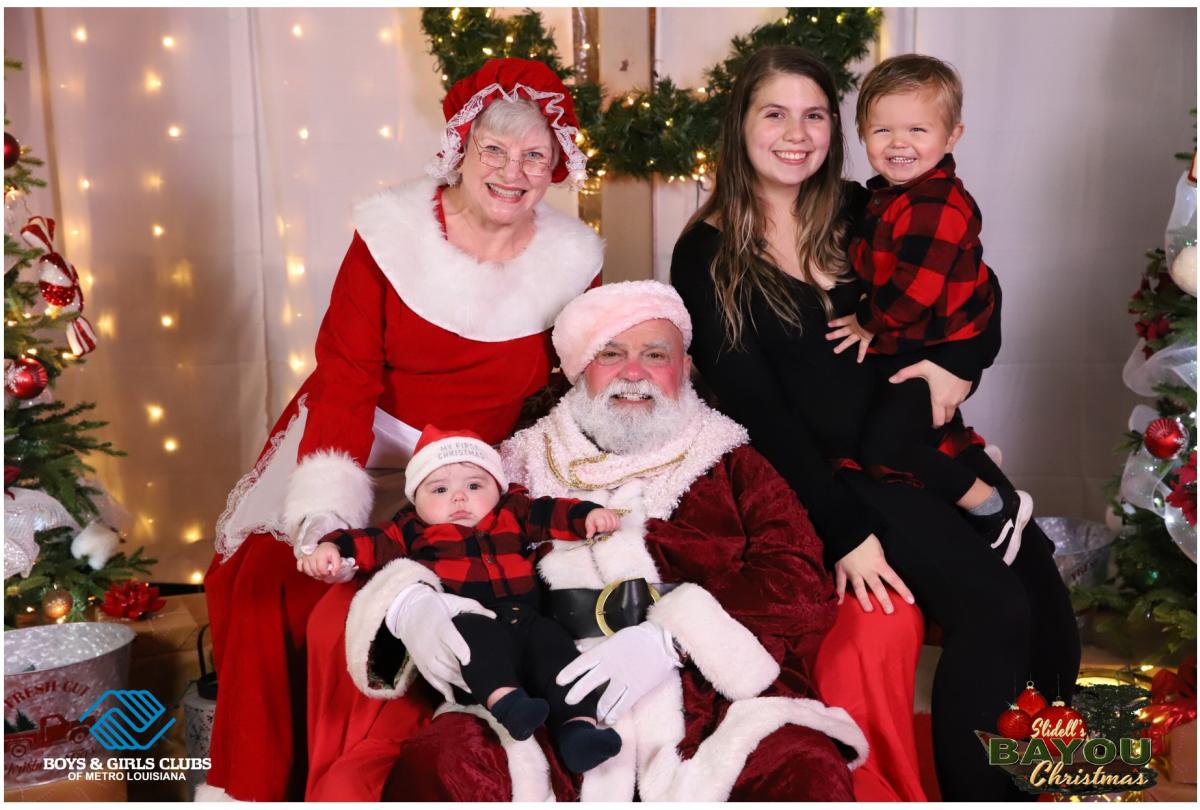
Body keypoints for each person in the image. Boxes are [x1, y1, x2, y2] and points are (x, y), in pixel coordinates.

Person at [669, 46, 1080, 800]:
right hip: (837, 476)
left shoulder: (867, 206)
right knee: (993, 609)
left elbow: (972, 288)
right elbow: (759, 416)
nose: (797, 132)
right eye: (775, 113)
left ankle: (1048, 777)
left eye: (815, 115)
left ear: (837, 127)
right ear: (741, 125)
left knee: (1044, 592)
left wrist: (966, 366)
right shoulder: (706, 255)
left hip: (919, 443)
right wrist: (844, 529)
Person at [199, 58, 603, 801]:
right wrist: (326, 511)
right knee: (263, 581)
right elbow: (347, 378)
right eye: (495, 151)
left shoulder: (573, 262)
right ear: (461, 148)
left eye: (535, 156)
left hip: (465, 470)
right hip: (355, 440)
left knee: (383, 605)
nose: (513, 172)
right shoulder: (388, 234)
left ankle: (369, 772)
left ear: (557, 167)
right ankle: (253, 788)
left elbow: (583, 377)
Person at [340, 281, 868, 801]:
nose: (632, 373)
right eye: (610, 354)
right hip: (545, 696)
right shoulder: (514, 465)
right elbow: (411, 535)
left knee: (804, 767)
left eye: (655, 354)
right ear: (578, 371)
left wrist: (671, 637)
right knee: (446, 761)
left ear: (684, 369)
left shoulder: (731, 460)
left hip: (708, 703)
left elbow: (798, 581)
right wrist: (410, 604)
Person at [298, 425, 624, 774]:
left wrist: (587, 515)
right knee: (474, 643)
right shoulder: (409, 530)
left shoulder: (514, 512)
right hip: (469, 621)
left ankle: (579, 728)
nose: (459, 497)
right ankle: (508, 703)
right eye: (440, 489)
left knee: (556, 648)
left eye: (474, 485)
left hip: (526, 620)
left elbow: (552, 512)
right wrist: (333, 547)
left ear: (497, 490)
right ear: (416, 500)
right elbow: (367, 541)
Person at [826, 53, 1032, 562]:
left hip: (944, 345)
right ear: (862, 134)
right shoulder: (886, 196)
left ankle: (994, 506)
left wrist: (865, 322)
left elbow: (914, 290)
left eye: (918, 129)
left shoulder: (933, 204)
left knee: (887, 448)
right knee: (895, 435)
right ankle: (971, 475)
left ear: (952, 136)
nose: (899, 144)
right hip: (923, 345)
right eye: (882, 130)